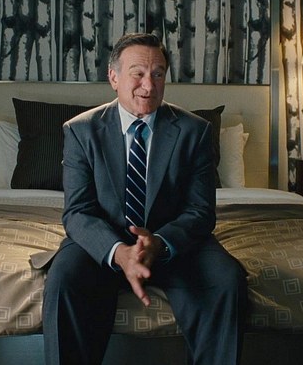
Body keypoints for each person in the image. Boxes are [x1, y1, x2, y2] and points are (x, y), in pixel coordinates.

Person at [42, 33, 247, 364]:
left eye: (158, 74)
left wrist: (160, 244)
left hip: (174, 243)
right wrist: (119, 253)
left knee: (226, 279)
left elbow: (200, 211)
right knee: (64, 279)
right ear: (114, 77)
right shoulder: (81, 131)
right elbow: (78, 212)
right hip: (104, 243)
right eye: (137, 73)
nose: (149, 85)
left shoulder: (195, 131)